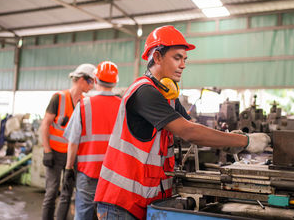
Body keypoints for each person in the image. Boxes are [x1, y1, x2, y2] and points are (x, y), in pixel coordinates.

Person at [94, 26, 271, 220]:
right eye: (177, 58)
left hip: (145, 199)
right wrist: (245, 141)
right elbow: (189, 132)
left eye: (185, 59)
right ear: (158, 57)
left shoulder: (167, 96)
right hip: (122, 201)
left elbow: (194, 126)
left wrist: (231, 139)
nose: (183, 65)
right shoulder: (144, 92)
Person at [62, 61, 121, 220]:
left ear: (95, 81)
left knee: (83, 215)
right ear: (115, 82)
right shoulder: (123, 107)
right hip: (114, 175)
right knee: (110, 215)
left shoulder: (84, 105)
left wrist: (69, 168)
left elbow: (73, 142)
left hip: (88, 173)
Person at [40, 63, 96, 220]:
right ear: (81, 79)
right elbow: (45, 125)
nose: (93, 85)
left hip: (72, 156)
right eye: (91, 81)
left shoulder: (86, 103)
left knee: (67, 193)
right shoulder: (59, 98)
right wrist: (47, 151)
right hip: (54, 154)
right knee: (51, 193)